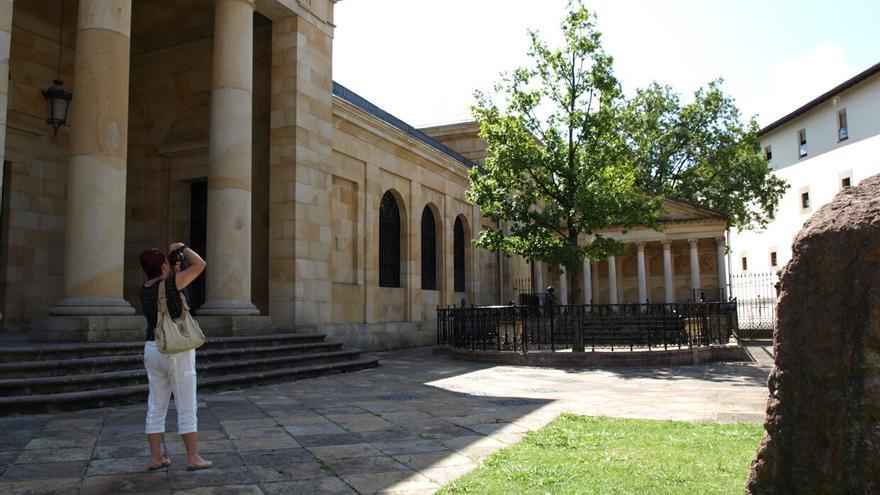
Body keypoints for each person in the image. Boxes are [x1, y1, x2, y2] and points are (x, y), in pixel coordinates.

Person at [138, 242, 212, 471]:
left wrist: (175, 270)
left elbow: (170, 296)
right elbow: (200, 265)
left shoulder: (145, 287)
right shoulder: (171, 284)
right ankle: (193, 458)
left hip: (152, 347)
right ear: (163, 266)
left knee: (156, 405)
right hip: (175, 349)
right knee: (186, 404)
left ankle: (156, 458)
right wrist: (183, 247)